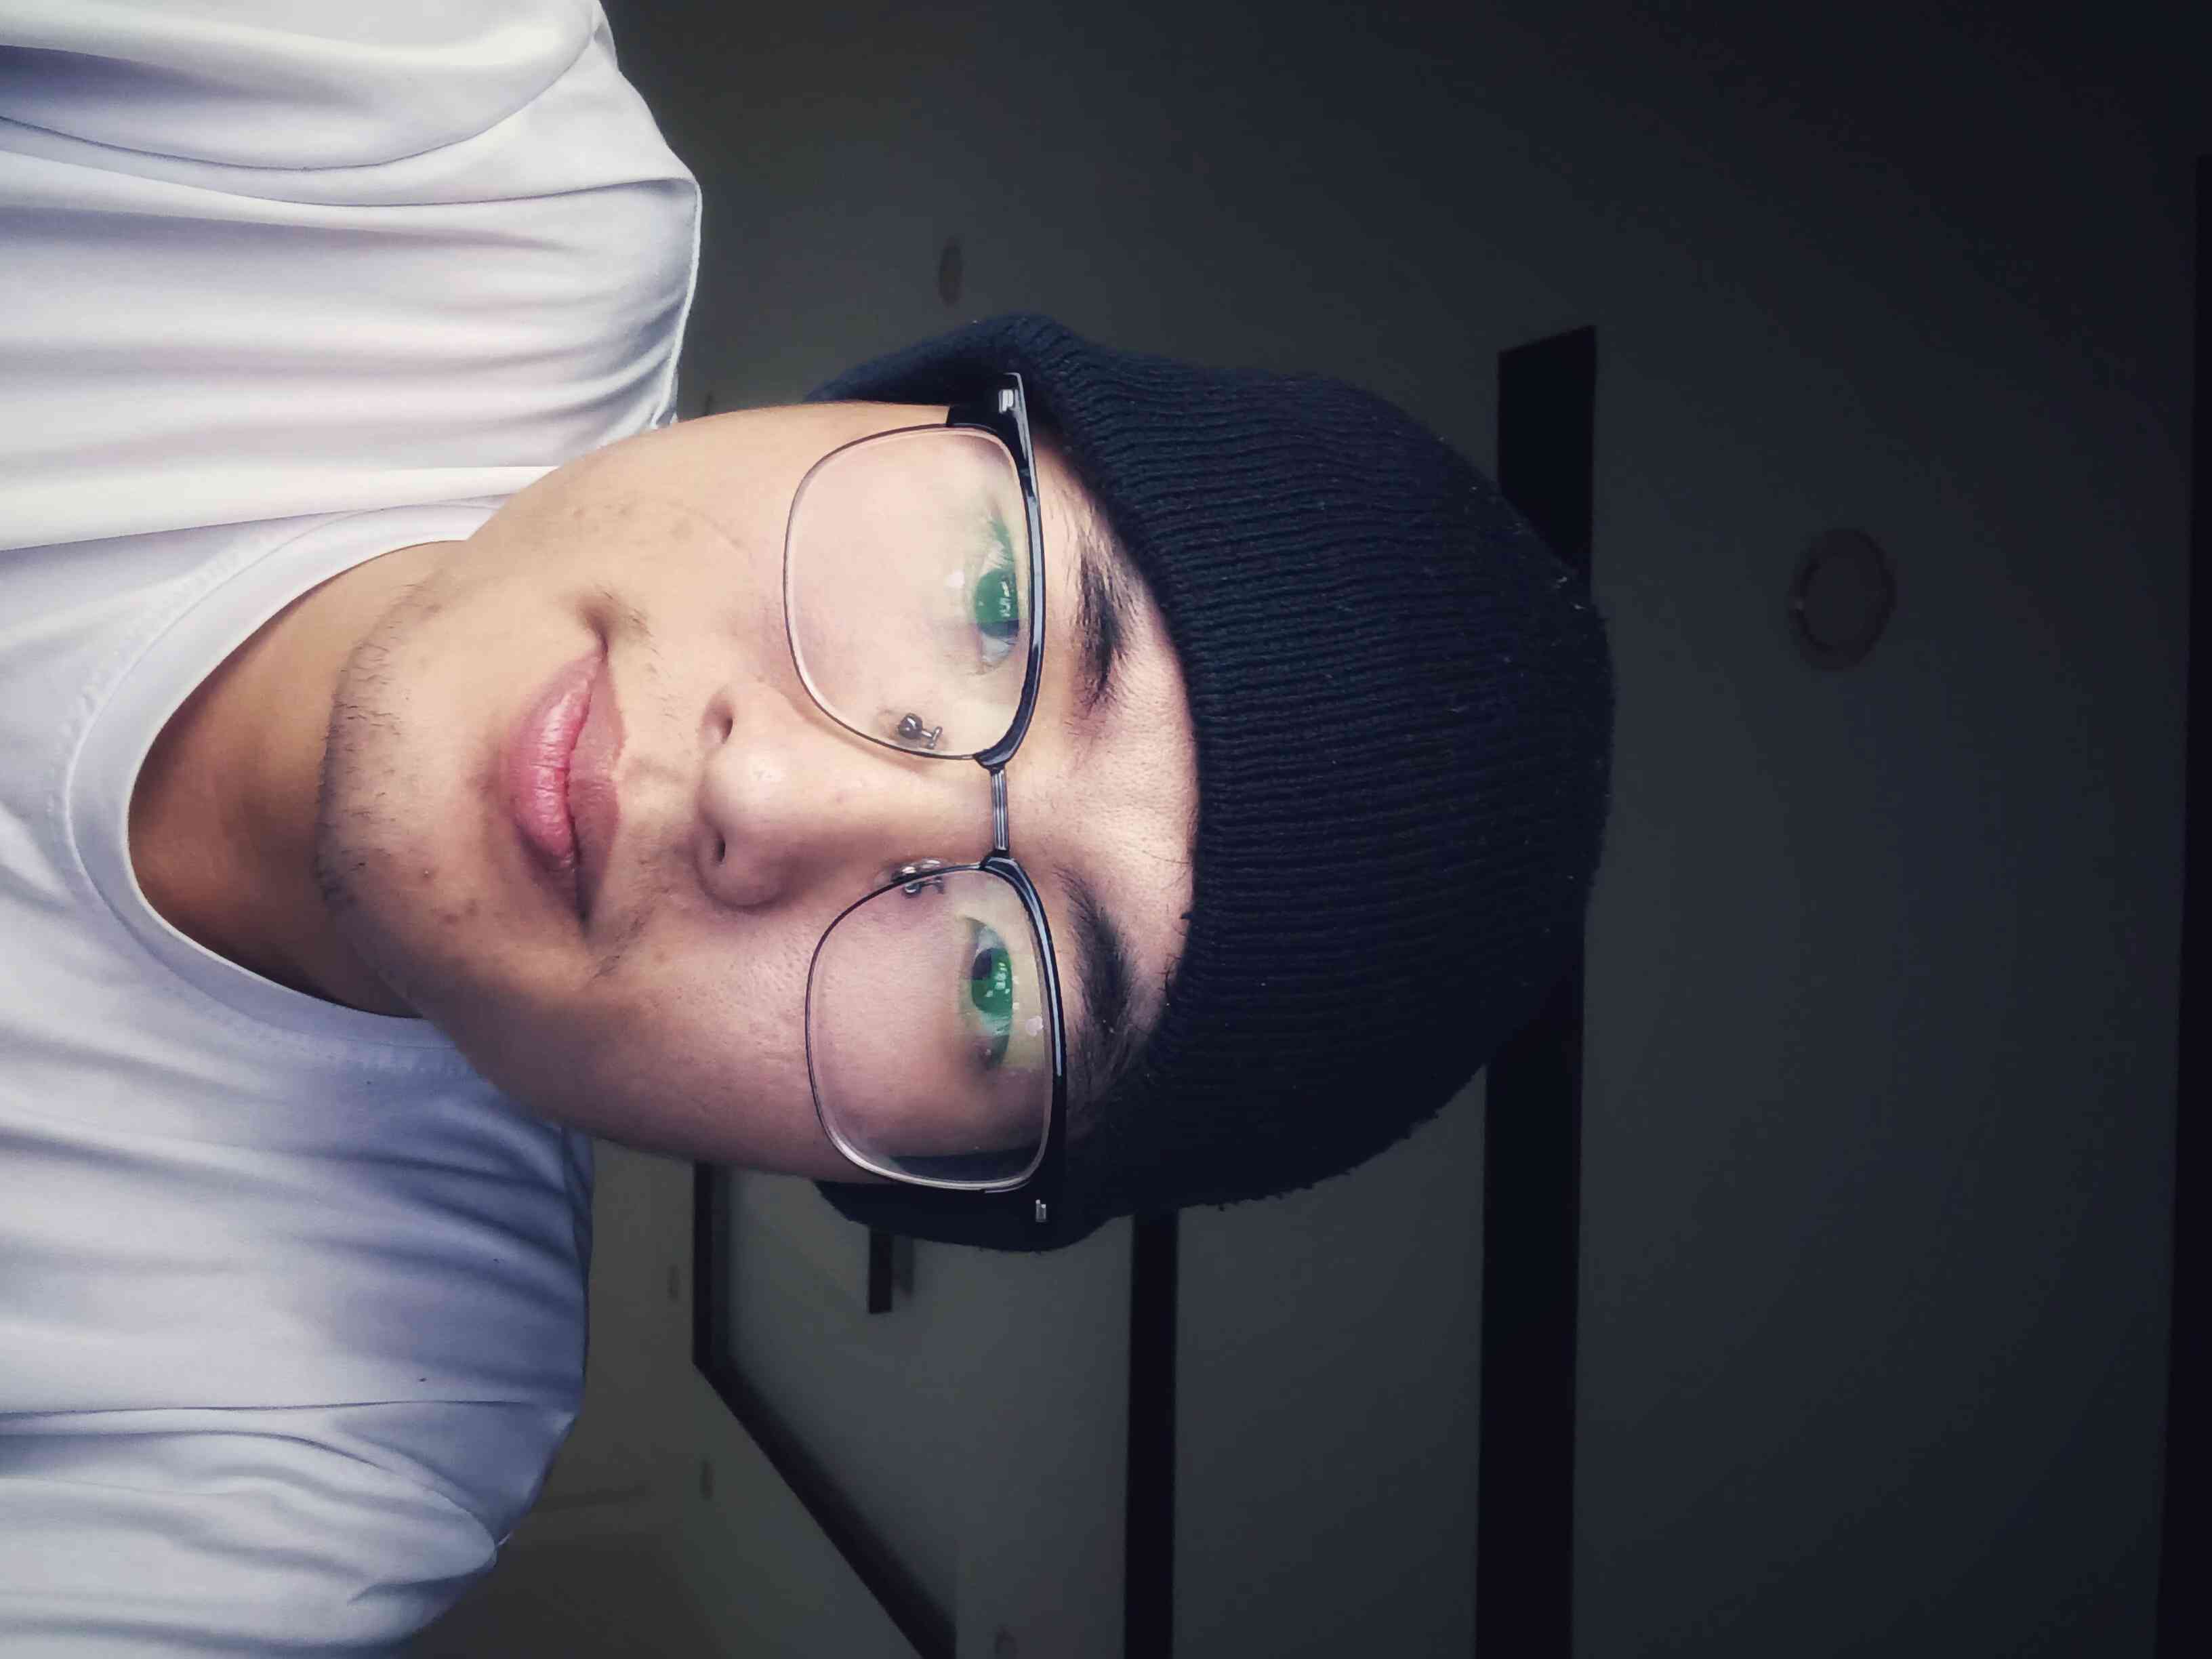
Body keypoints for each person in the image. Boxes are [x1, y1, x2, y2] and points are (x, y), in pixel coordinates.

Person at [0, 1, 1612, 1651]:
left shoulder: (329, 1463)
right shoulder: (432, 116)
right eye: (1001, 607)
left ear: (881, 1172)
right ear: (909, 406)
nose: (767, 796)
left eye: (996, 986)